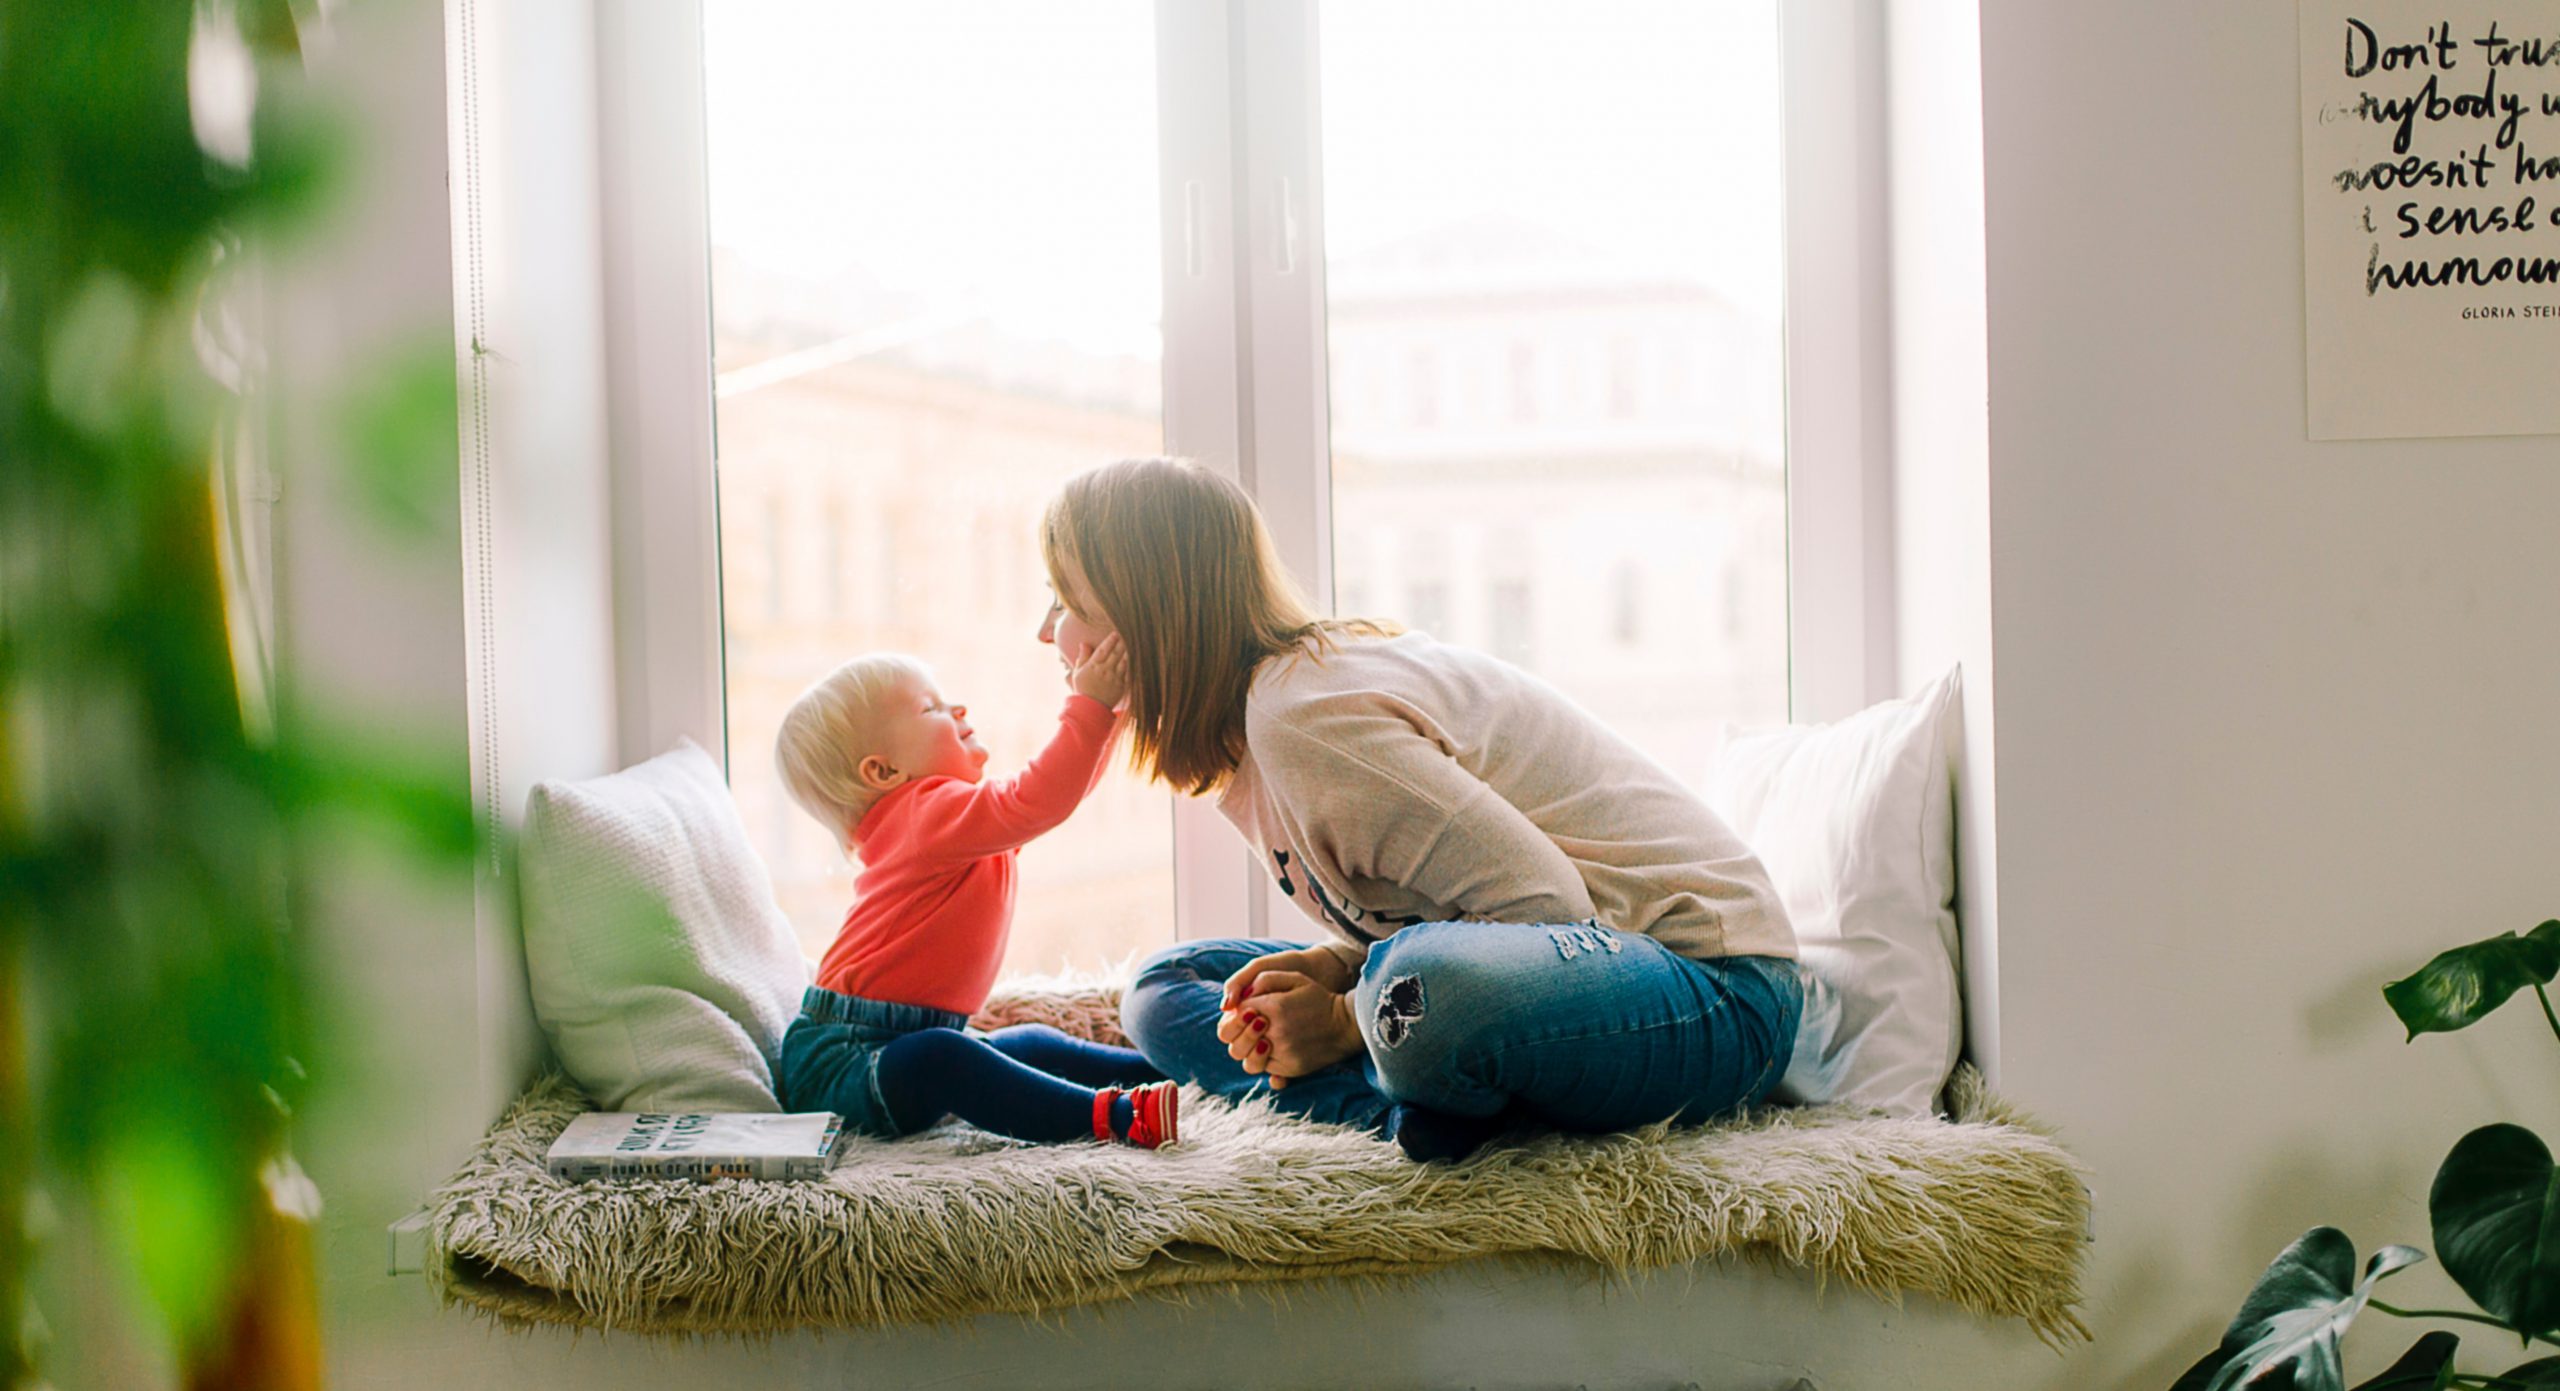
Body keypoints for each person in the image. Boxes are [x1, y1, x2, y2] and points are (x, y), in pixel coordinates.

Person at [1036, 457, 1801, 1161]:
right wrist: (1343, 972)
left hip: (1715, 990)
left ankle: (1407, 1087)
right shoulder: (1255, 735)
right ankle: (1414, 1107)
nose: (1048, 631)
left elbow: (1549, 907)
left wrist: (1340, 1018)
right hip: (1563, 971)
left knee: (1419, 989)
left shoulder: (1303, 716)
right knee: (1167, 986)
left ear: (1151, 616)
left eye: (1069, 601)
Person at [770, 643, 1178, 1148]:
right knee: (944, 1058)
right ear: (883, 772)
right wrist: (1091, 707)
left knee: (1027, 1043)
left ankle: (1170, 1070)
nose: (957, 709)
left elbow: (1054, 798)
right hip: (844, 1062)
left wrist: (1111, 714)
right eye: (930, 708)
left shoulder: (948, 823)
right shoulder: (924, 815)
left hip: (896, 1041)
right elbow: (1041, 797)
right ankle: (1112, 1117)